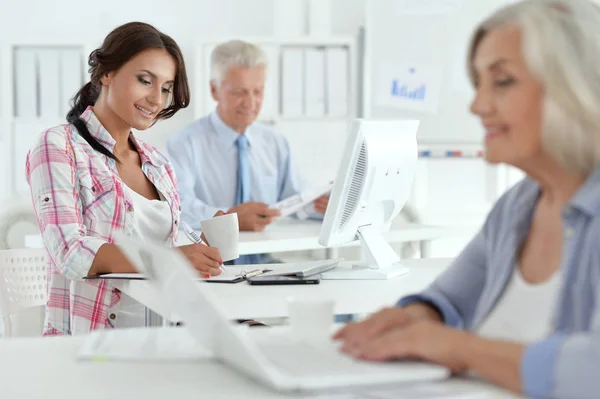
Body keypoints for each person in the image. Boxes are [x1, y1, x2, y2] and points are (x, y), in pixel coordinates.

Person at [334, 1, 600, 398]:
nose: (477, 106)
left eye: (503, 81)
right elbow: (448, 300)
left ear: (572, 84)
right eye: (477, 83)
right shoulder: (518, 206)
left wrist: (459, 348)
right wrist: (409, 321)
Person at [26, 22, 223, 336]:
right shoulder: (58, 146)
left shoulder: (158, 164)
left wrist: (203, 247)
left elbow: (165, 246)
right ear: (107, 73)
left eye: (166, 88)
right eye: (145, 80)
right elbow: (71, 253)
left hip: (163, 331)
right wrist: (173, 259)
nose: (156, 99)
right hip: (91, 341)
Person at [166, 40, 329, 265]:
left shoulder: (275, 143)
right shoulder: (184, 143)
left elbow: (295, 200)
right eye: (239, 92)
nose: (250, 103)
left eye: (258, 91)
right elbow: (177, 210)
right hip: (210, 266)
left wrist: (323, 206)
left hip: (264, 262)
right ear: (214, 89)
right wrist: (230, 219)